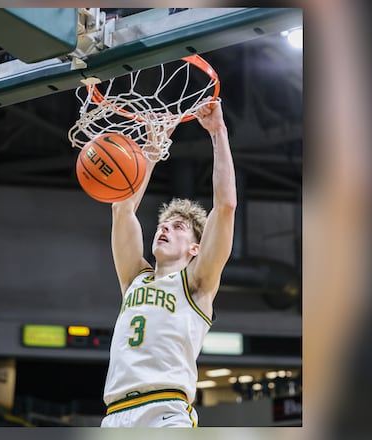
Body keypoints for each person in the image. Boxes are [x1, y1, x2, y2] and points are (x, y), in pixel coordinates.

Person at [100, 97, 236, 428]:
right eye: (163, 224)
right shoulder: (134, 277)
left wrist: (218, 132)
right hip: (115, 415)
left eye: (177, 227)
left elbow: (226, 206)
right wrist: (152, 148)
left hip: (165, 411)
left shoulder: (197, 284)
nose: (164, 228)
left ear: (194, 248)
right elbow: (122, 209)